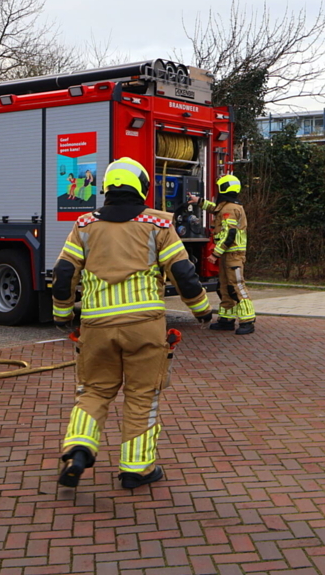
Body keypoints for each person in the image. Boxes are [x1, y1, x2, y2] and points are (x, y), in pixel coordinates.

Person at [53, 158, 212, 489]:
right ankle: (136, 469)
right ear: (142, 187)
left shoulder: (84, 225)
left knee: (94, 391)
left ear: (107, 187)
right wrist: (202, 310)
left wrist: (61, 314)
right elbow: (183, 273)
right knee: (142, 394)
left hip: (96, 329)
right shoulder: (158, 224)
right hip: (145, 328)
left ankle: (79, 448)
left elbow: (64, 273)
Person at [188, 174, 254, 334]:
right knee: (224, 287)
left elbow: (229, 234)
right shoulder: (228, 206)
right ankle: (226, 319)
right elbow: (215, 208)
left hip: (233, 255)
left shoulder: (231, 209)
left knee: (237, 286)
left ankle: (248, 320)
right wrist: (199, 202)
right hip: (228, 255)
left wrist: (215, 254)